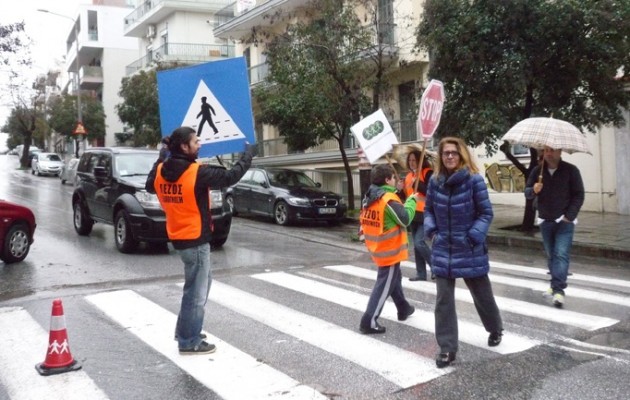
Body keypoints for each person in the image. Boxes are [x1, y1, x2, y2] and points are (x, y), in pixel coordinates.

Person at [145, 126, 255, 355]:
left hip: (178, 236)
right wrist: (248, 156)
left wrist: (161, 156)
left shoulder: (161, 169)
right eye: (196, 142)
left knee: (196, 287)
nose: (200, 144)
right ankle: (189, 340)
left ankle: (185, 330)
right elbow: (230, 176)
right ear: (185, 147)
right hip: (195, 239)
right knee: (196, 292)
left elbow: (149, 185)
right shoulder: (196, 172)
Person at [424, 136, 503, 368]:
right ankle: (447, 349)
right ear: (441, 156)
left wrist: (473, 236)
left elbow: (485, 213)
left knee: (482, 294)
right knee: (443, 301)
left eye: (454, 153)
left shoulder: (474, 180)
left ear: (462, 155)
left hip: (468, 246)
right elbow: (428, 210)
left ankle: (495, 327)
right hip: (442, 248)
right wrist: (432, 231)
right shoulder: (434, 181)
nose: (449, 156)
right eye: (446, 153)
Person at [359, 163, 420, 334]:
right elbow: (406, 218)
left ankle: (403, 308)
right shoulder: (388, 199)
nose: (396, 180)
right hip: (390, 250)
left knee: (394, 279)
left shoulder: (369, 196)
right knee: (384, 284)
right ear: (387, 179)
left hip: (378, 247)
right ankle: (369, 320)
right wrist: (412, 201)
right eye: (394, 178)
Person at [524, 146, 584, 308]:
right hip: (545, 220)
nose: (549, 153)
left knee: (561, 254)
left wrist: (569, 216)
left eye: (553, 150)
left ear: (560, 152)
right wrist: (533, 190)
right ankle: (554, 284)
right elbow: (527, 192)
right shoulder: (538, 171)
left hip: (564, 221)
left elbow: (579, 194)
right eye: (546, 151)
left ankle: (559, 291)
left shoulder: (571, 171)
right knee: (551, 255)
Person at [397, 149, 433, 281]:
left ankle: (434, 266)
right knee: (416, 246)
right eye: (410, 160)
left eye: (415, 160)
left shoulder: (427, 173)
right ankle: (421, 273)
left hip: (425, 213)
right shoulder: (407, 177)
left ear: (420, 161)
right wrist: (399, 189)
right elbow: (406, 196)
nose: (412, 163)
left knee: (419, 242)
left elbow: (431, 192)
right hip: (412, 214)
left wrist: (419, 184)